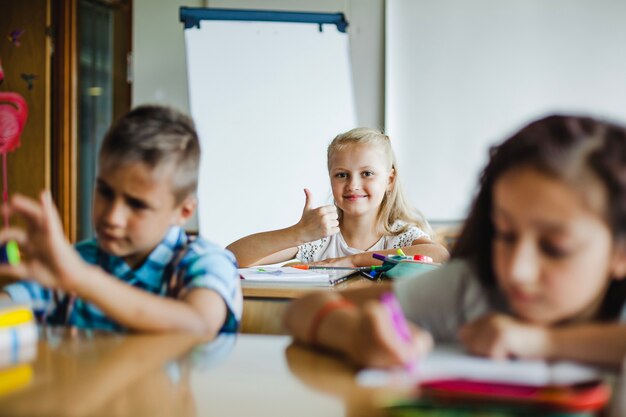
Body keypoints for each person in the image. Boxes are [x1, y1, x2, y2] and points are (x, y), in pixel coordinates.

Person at [284, 115, 626, 367]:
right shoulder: (473, 288)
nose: (518, 271)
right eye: (504, 235)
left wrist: (542, 342)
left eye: (555, 248)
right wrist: (353, 334)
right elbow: (301, 311)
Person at [0, 105, 242, 334]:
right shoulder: (80, 260)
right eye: (105, 192)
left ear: (183, 212)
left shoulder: (204, 260)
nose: (112, 217)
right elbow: (13, 303)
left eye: (137, 205)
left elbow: (198, 324)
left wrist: (83, 280)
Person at [227, 127, 448, 267]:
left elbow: (439, 254)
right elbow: (232, 258)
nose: (353, 185)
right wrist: (298, 233)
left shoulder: (402, 236)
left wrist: (353, 260)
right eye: (342, 175)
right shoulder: (319, 238)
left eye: (367, 174)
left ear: (389, 180)